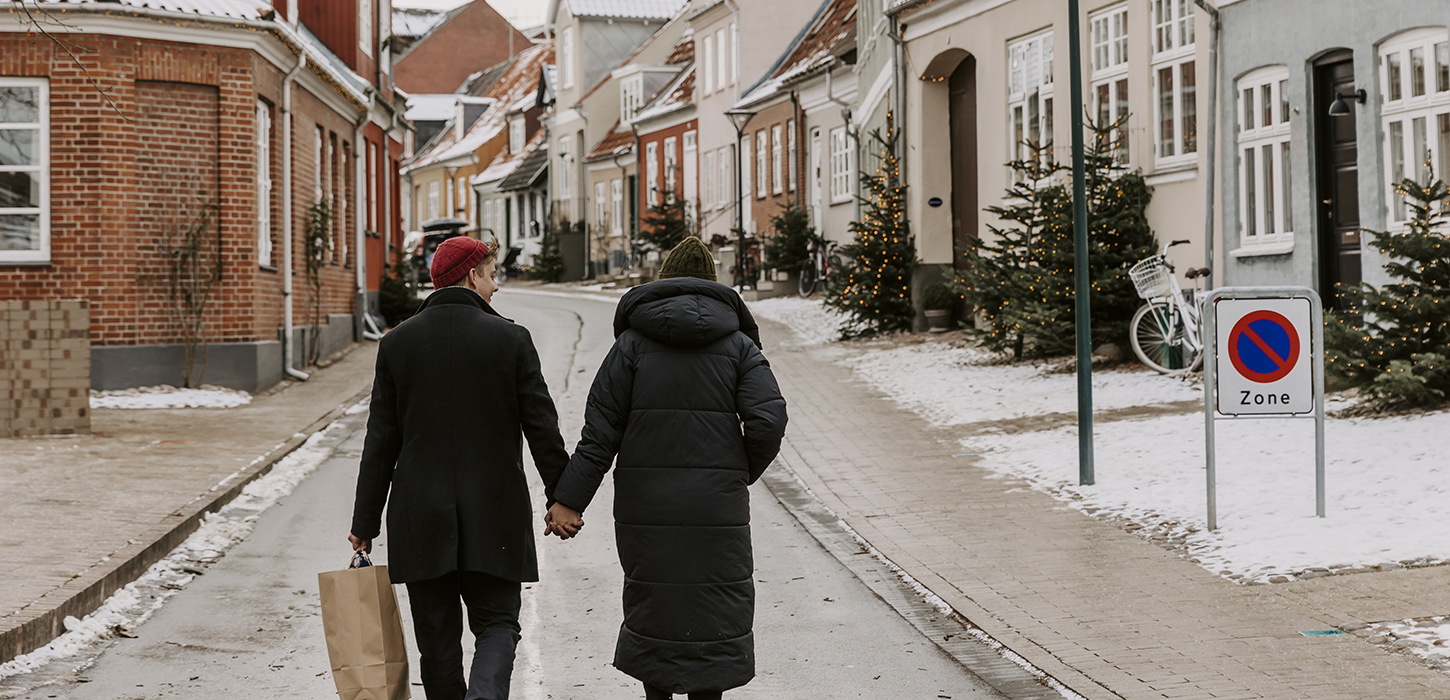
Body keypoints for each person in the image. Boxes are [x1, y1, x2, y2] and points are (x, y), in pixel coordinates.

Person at [545, 236, 789, 700]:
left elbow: (600, 433)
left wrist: (567, 501)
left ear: (662, 283)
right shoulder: (738, 346)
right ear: (714, 286)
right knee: (714, 604)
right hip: (716, 506)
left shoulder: (631, 347)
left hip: (646, 503)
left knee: (656, 602)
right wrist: (736, 471)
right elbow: (768, 419)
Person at [349, 236, 576, 700]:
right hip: (496, 515)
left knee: (436, 643)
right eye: (493, 275)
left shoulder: (397, 344)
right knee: (497, 624)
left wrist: (364, 522)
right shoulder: (510, 339)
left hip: (421, 515)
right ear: (472, 276)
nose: (496, 287)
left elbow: (380, 442)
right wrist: (562, 498)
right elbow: (542, 429)